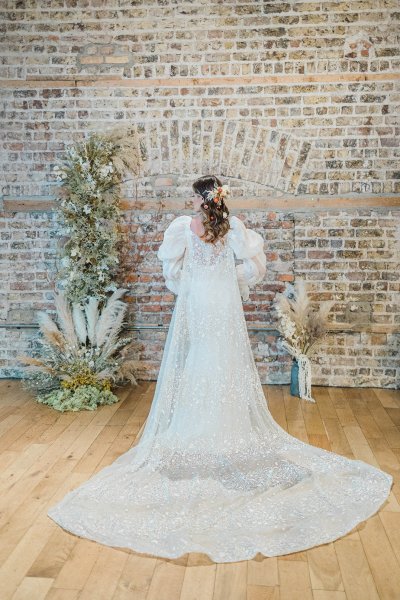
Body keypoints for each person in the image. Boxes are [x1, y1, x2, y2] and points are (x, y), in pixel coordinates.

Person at [47, 175, 393, 563]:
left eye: (193, 196)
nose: (190, 202)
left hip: (198, 302)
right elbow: (254, 269)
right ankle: (228, 424)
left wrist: (192, 282)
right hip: (223, 303)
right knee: (225, 360)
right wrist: (230, 280)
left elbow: (173, 274)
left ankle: (195, 427)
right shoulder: (234, 229)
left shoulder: (183, 228)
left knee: (198, 360)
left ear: (200, 200)